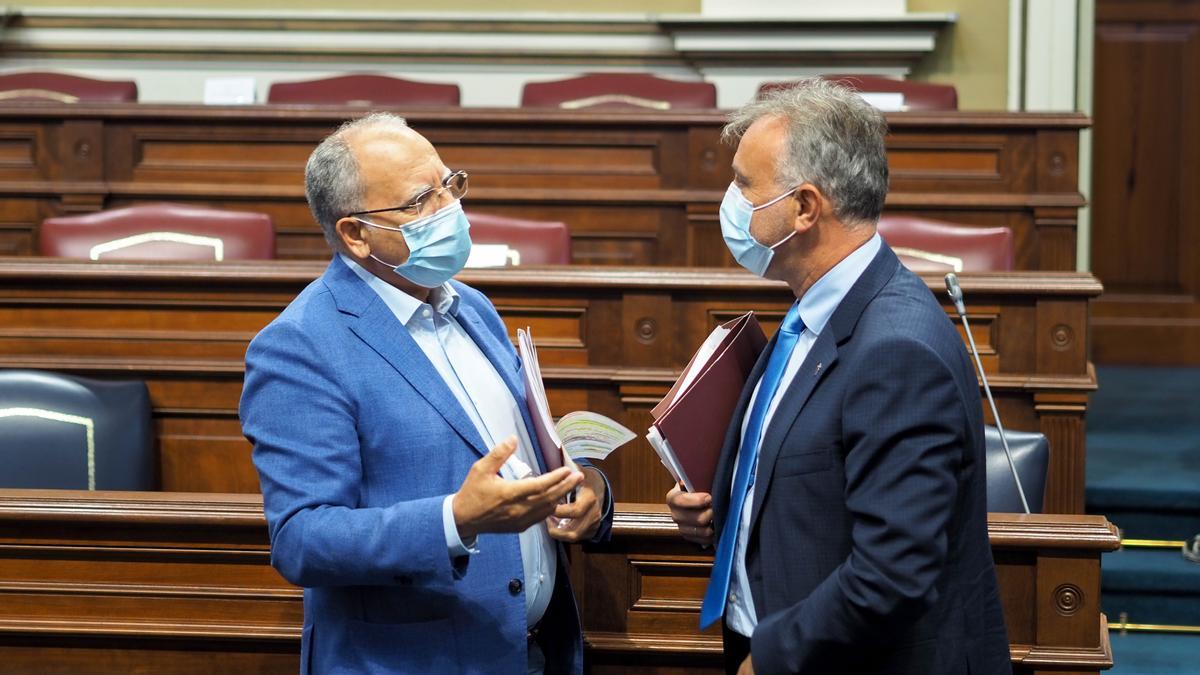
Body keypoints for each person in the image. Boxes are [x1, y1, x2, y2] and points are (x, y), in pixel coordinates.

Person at [240, 112, 613, 674]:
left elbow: (512, 454)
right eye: (420, 202)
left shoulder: (472, 307)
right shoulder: (299, 346)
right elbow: (302, 538)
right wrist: (455, 519)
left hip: (534, 651)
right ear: (356, 234)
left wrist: (583, 489)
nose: (449, 210)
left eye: (449, 184)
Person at [665, 80, 1010, 674]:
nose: (730, 200)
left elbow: (892, 573)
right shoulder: (813, 314)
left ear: (804, 207)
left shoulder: (897, 352)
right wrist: (726, 507)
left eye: (745, 185)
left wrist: (767, 660)